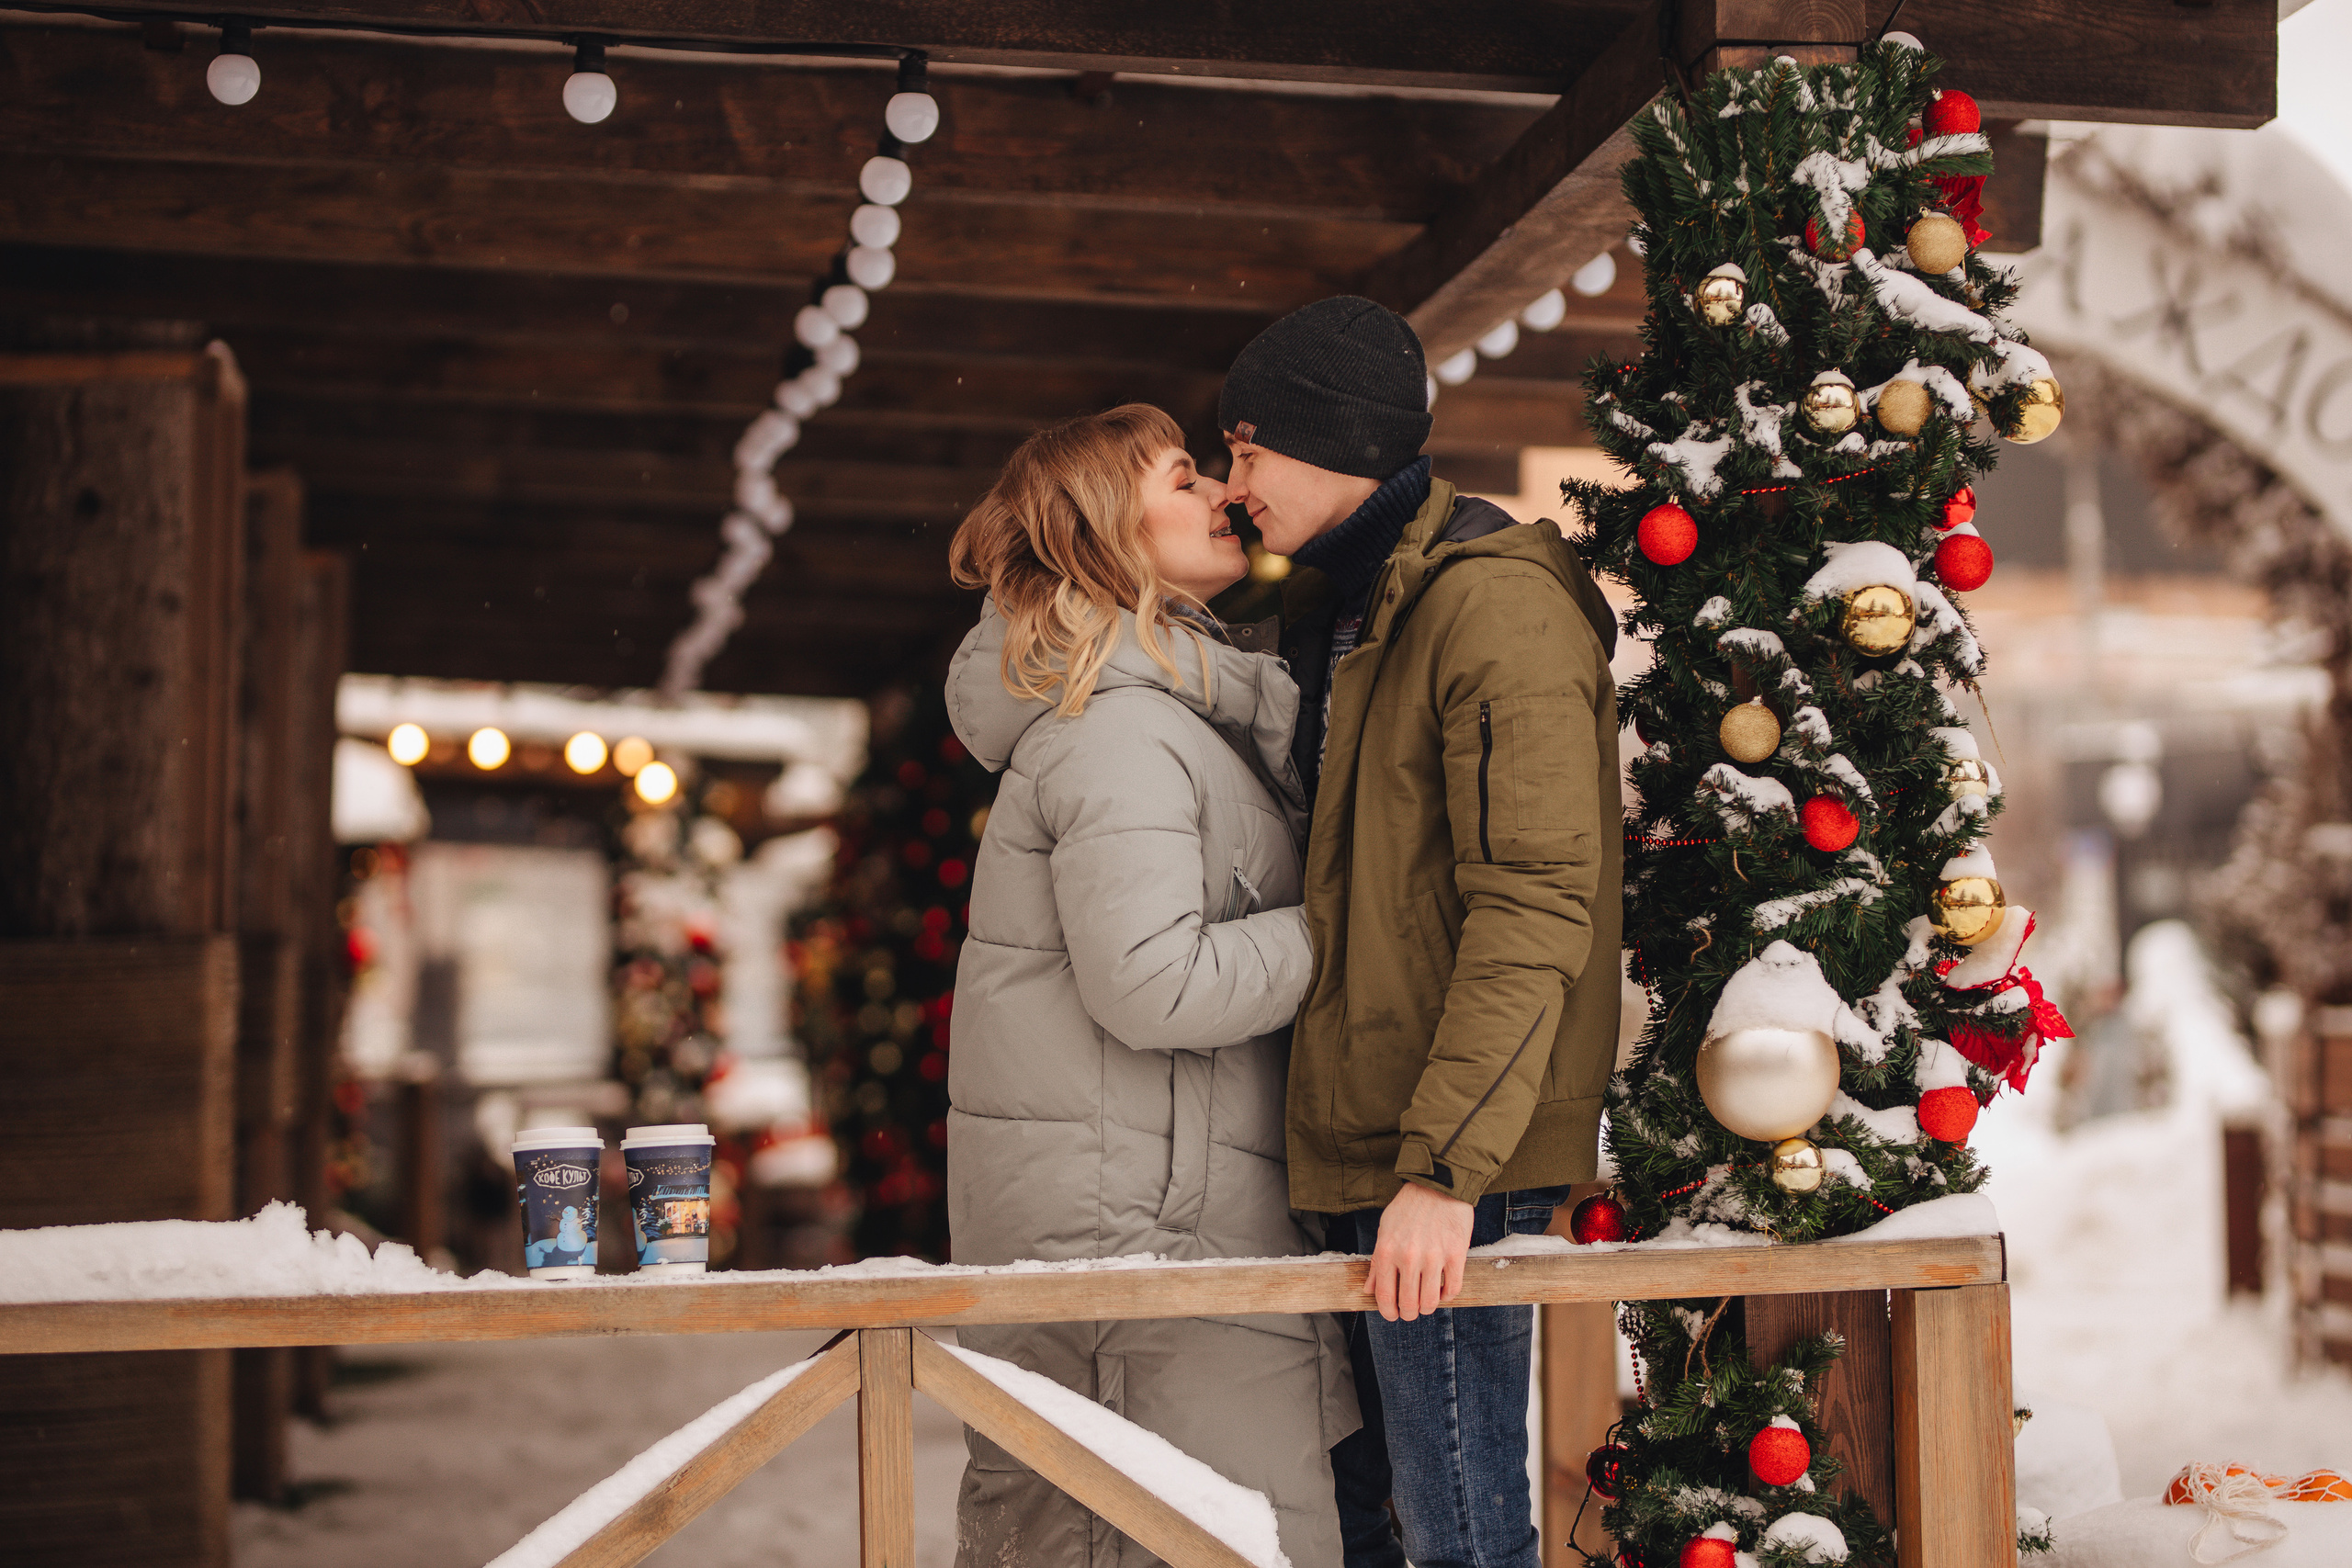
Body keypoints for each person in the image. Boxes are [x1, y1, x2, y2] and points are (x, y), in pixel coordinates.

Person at [1219, 298, 1623, 1568]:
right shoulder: (1346, 611)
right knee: (1371, 1530)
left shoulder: (1488, 606)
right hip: (1366, 1146)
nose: (1233, 488)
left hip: (1450, 1164)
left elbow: (1535, 895)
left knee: (1464, 1538)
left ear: (1328, 441)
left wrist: (1445, 1173)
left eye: (1244, 451)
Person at [943, 402, 1356, 1568]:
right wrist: (1351, 933)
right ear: (1101, 535)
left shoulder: (1174, 713)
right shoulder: (1116, 730)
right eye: (1184, 479)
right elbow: (1155, 987)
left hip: (1158, 1229)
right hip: (1142, 1251)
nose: (1224, 495)